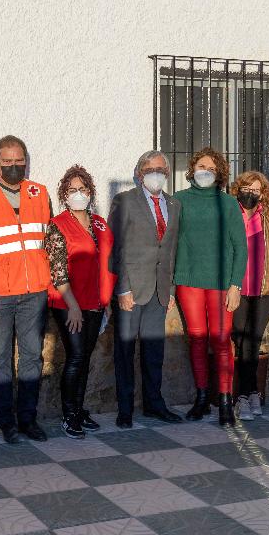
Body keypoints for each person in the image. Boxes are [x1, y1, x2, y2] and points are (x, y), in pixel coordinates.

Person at [0, 136, 52, 443]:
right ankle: (5, 420)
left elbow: (50, 241)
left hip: (35, 292)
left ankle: (28, 419)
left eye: (19, 160)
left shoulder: (40, 193)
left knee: (32, 357)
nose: (14, 166)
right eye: (7, 161)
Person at [108, 150, 184, 428]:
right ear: (140, 173)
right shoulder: (124, 201)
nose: (157, 174)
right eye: (151, 169)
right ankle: (125, 408)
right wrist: (122, 289)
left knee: (154, 352)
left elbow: (172, 249)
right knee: (125, 351)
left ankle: (154, 404)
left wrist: (172, 288)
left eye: (162, 170)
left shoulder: (174, 205)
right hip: (132, 289)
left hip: (160, 291)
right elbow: (117, 247)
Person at [174, 148, 247, 426]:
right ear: (192, 170)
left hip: (220, 283)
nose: (206, 171)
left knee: (221, 340)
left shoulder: (228, 203)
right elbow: (171, 244)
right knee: (196, 337)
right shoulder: (178, 201)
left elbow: (241, 247)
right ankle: (202, 397)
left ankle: (226, 401)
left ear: (220, 175)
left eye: (212, 168)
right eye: (201, 166)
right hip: (188, 279)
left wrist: (235, 285)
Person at [45, 165, 114, 438]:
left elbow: (109, 262)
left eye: (82, 188)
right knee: (74, 357)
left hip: (95, 302)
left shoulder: (99, 223)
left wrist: (107, 299)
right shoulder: (57, 225)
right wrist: (72, 305)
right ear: (64, 193)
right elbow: (57, 269)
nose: (78, 193)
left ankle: (79, 408)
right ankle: (68, 413)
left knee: (85, 358)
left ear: (90, 192)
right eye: (72, 189)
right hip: (68, 304)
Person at [230, 171, 269, 420]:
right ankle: (246, 394)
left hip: (263, 290)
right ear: (238, 188)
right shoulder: (230, 214)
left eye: (256, 190)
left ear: (263, 193)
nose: (251, 193)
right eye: (247, 188)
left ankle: (248, 395)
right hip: (236, 290)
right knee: (241, 341)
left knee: (253, 342)